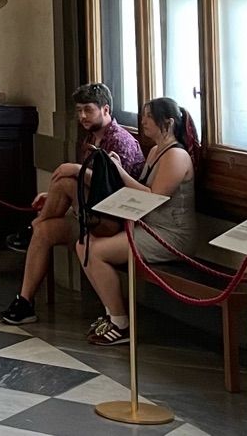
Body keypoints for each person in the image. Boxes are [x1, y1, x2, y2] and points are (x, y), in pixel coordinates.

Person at [0, 81, 145, 325]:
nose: (82, 116)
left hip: (115, 220)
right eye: (79, 111)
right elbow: (87, 187)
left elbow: (117, 189)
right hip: (90, 215)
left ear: (106, 110)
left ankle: (32, 225)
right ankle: (24, 302)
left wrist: (76, 171)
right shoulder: (89, 139)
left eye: (88, 109)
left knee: (67, 180)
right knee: (45, 230)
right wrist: (57, 197)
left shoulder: (121, 141)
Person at [79, 97, 199, 346]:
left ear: (167, 122)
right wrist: (118, 168)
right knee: (84, 244)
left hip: (169, 235)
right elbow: (143, 188)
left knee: (95, 251)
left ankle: (120, 323)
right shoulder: (156, 151)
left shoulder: (176, 155)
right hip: (149, 227)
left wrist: (119, 172)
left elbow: (153, 197)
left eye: (148, 116)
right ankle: (112, 314)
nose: (142, 121)